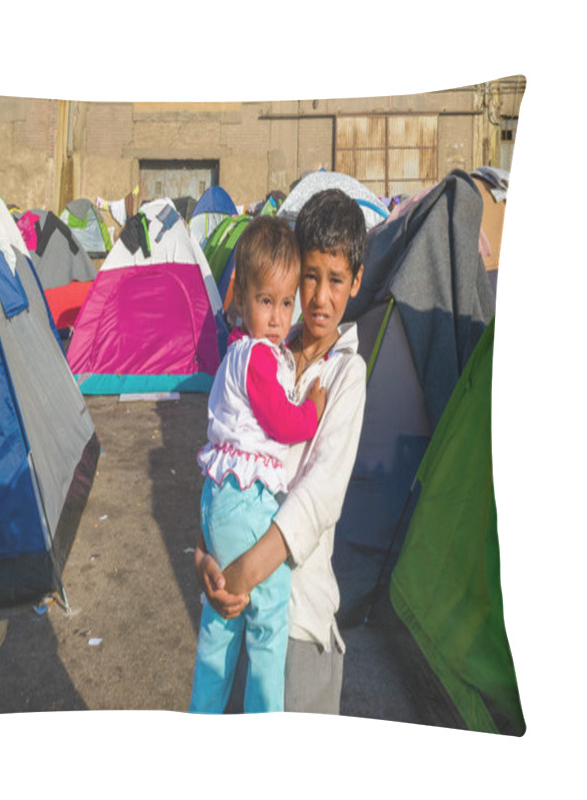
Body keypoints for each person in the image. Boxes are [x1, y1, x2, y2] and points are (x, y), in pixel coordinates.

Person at [194, 188, 367, 714]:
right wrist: (205, 555)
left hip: (295, 620)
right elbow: (224, 446)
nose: (318, 297)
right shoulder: (266, 352)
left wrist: (235, 577)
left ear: (356, 282)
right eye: (309, 277)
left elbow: (315, 502)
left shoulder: (345, 376)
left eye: (335, 280)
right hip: (239, 597)